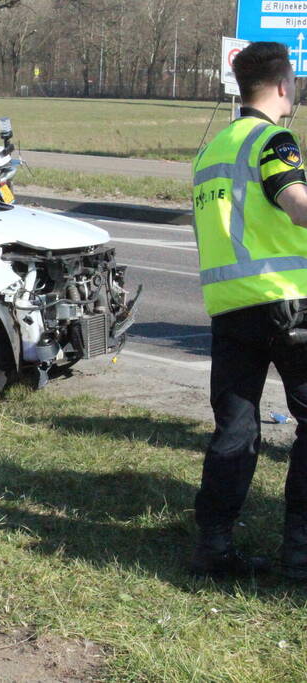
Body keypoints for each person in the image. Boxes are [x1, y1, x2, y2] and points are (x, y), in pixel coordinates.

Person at [191, 41, 307, 578]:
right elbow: (296, 204)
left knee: (235, 430)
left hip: (230, 311)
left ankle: (214, 548)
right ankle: (300, 551)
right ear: (283, 85)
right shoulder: (273, 139)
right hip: (286, 304)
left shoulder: (211, 150)